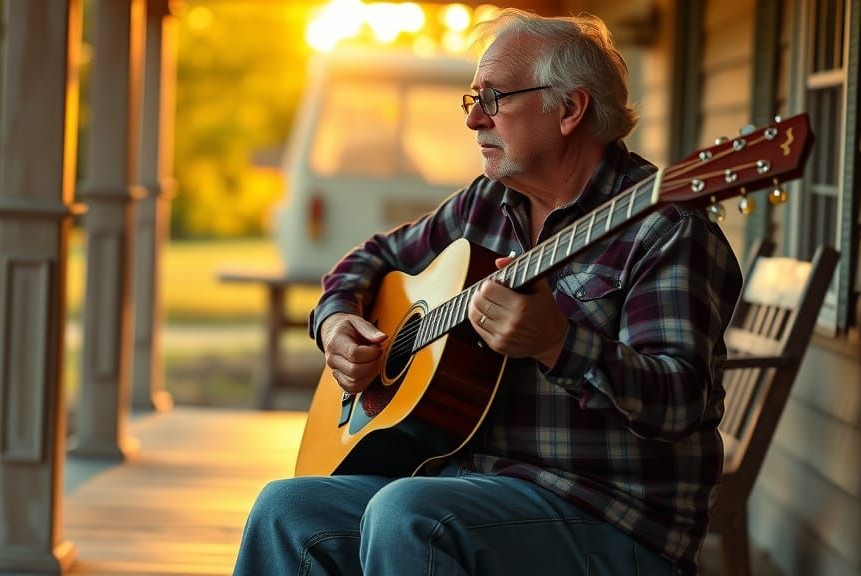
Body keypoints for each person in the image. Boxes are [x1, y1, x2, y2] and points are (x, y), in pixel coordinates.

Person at [234, 8, 742, 576]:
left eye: (495, 98)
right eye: (472, 99)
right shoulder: (485, 204)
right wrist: (335, 323)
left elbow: (681, 401)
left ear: (569, 109)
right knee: (286, 508)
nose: (475, 119)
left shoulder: (665, 229)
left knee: (407, 514)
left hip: (610, 518)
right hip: (471, 487)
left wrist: (558, 344)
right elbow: (371, 258)